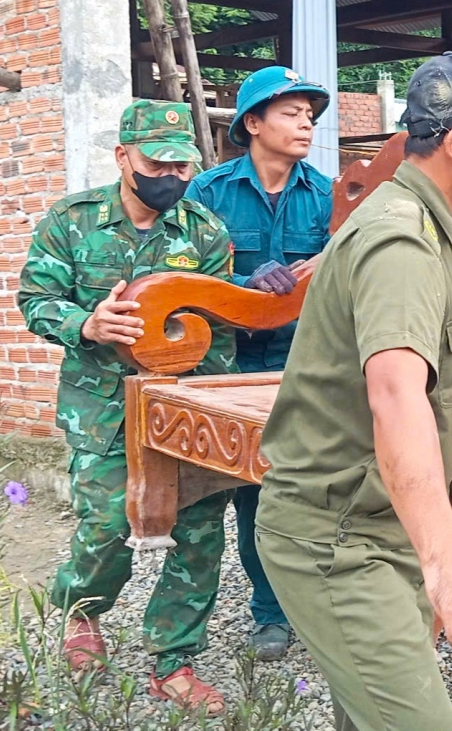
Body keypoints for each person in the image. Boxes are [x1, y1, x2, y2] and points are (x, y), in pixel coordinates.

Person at [254, 51, 452, 731]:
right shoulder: (401, 239)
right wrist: (446, 559)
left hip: (371, 526)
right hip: (336, 540)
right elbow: (396, 394)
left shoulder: (421, 224)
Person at [17, 100, 236, 716]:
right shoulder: (73, 221)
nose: (171, 177)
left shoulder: (203, 232)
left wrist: (208, 405)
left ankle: (175, 659)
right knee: (109, 524)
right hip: (103, 408)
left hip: (183, 409)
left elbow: (219, 327)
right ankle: (81, 613)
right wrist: (85, 322)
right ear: (123, 157)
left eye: (182, 166)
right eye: (157, 163)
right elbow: (35, 298)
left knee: (197, 531)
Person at [185, 65, 333, 660]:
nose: (307, 125)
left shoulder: (328, 195)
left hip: (305, 362)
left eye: (311, 116)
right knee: (251, 491)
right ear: (252, 123)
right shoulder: (208, 193)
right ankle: (269, 614)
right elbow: (182, 270)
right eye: (292, 113)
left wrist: (325, 266)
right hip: (229, 365)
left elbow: (354, 274)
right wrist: (242, 282)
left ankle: (323, 607)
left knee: (313, 488)